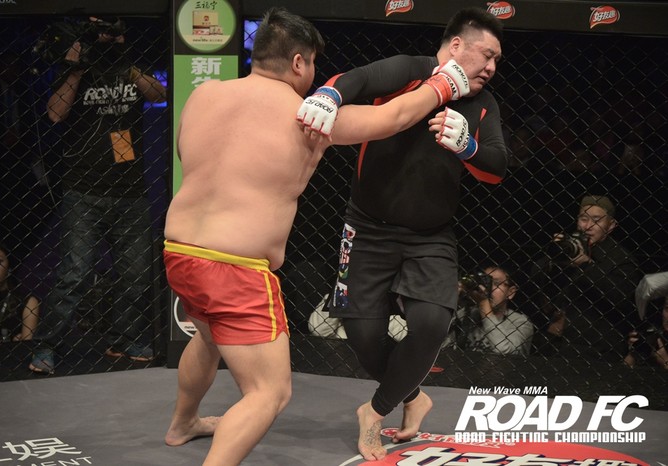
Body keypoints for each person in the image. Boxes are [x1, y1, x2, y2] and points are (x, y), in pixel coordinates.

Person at [161, 7, 472, 466]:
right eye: (312, 65)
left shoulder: (204, 95)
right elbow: (393, 118)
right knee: (269, 392)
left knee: (208, 337)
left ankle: (183, 423)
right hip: (235, 268)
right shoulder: (306, 116)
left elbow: (188, 155)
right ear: (299, 62)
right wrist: (443, 84)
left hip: (179, 251)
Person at [298, 7, 507, 460]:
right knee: (363, 335)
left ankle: (374, 411)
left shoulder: (483, 104)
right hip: (366, 228)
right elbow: (355, 79)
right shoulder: (410, 70)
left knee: (432, 322)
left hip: (430, 235)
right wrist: (328, 95)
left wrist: (469, 146)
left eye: (496, 59)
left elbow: (497, 168)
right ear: (456, 46)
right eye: (486, 55)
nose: (492, 67)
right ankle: (413, 396)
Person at [28, 17, 167, 374]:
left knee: (136, 273)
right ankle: (46, 344)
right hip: (83, 189)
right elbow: (55, 114)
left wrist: (127, 65)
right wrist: (79, 66)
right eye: (103, 32)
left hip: (130, 189)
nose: (109, 37)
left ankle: (124, 338)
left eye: (115, 31)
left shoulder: (131, 64)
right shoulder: (77, 64)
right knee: (75, 273)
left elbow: (159, 94)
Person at [528, 194, 643, 361]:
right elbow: (534, 276)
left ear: (611, 225)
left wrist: (586, 266)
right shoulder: (569, 246)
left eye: (596, 220)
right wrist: (554, 256)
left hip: (597, 350)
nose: (588, 226)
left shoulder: (621, 258)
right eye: (583, 219)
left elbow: (622, 297)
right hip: (554, 344)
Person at [449, 266, 533, 356]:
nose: (489, 288)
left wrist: (484, 303)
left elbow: (504, 351)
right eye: (485, 281)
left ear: (510, 292)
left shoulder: (521, 322)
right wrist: (454, 299)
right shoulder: (467, 313)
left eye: (496, 283)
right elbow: (441, 345)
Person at [624, 296, 668, 370]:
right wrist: (633, 352)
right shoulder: (655, 334)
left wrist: (666, 361)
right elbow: (623, 369)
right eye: (667, 308)